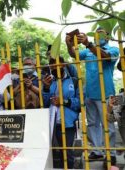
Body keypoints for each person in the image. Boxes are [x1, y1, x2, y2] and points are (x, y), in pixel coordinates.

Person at [66, 27, 119, 166]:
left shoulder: (113, 49)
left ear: (107, 37)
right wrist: (69, 44)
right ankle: (96, 151)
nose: (99, 36)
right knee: (92, 124)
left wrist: (89, 44)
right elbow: (73, 55)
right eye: (97, 33)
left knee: (108, 124)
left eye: (102, 33)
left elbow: (106, 57)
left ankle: (111, 153)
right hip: (90, 93)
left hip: (107, 94)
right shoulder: (88, 51)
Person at [42, 58, 80, 169]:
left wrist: (64, 101)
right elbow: (44, 103)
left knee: (67, 154)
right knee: (53, 154)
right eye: (51, 64)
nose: (53, 66)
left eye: (56, 64)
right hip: (52, 124)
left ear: (63, 65)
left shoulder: (74, 81)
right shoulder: (49, 82)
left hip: (68, 124)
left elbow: (80, 102)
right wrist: (45, 88)